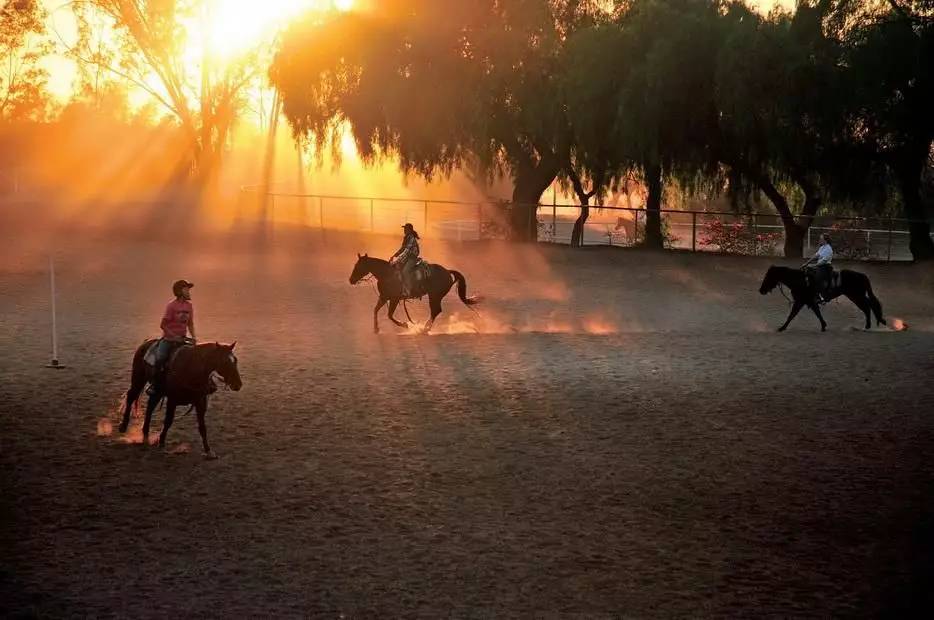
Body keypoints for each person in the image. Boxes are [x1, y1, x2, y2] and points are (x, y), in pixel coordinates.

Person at [148, 279, 196, 395]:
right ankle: (154, 385)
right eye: (186, 289)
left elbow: (190, 323)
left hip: (183, 339)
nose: (189, 292)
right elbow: (163, 325)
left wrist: (194, 337)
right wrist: (174, 337)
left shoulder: (189, 306)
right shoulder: (171, 306)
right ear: (180, 291)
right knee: (160, 358)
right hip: (169, 340)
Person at [390, 223, 421, 297]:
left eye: (406, 229)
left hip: (412, 258)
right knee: (397, 268)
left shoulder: (411, 238)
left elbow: (407, 251)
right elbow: (402, 248)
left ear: (409, 230)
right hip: (408, 257)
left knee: (405, 271)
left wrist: (397, 260)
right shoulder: (406, 237)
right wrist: (395, 255)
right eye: (404, 229)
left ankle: (408, 290)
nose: (404, 230)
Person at [802, 233, 833, 303]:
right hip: (819, 265)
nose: (819, 240)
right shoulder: (822, 247)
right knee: (806, 273)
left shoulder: (828, 249)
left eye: (821, 239)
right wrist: (806, 263)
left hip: (825, 267)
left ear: (825, 240)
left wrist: (814, 265)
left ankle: (822, 297)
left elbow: (824, 261)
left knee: (817, 278)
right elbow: (815, 256)